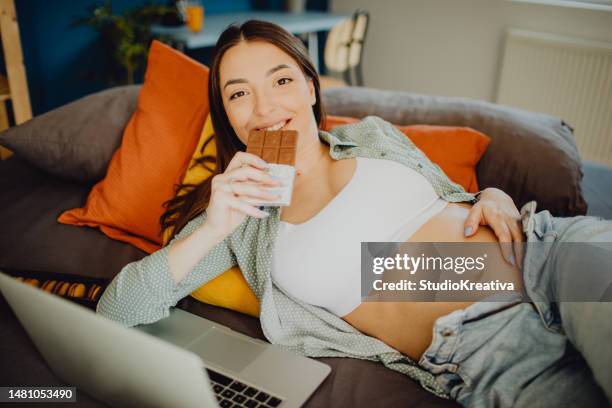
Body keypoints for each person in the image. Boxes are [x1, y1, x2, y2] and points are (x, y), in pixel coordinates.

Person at [97, 20, 612, 407]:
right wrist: (213, 226)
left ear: (310, 87)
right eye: (239, 94)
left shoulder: (370, 134)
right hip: (478, 339)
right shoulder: (242, 219)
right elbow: (117, 312)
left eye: (281, 80)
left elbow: (456, 195)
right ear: (228, 116)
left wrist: (492, 195)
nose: (265, 106)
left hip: (546, 249)